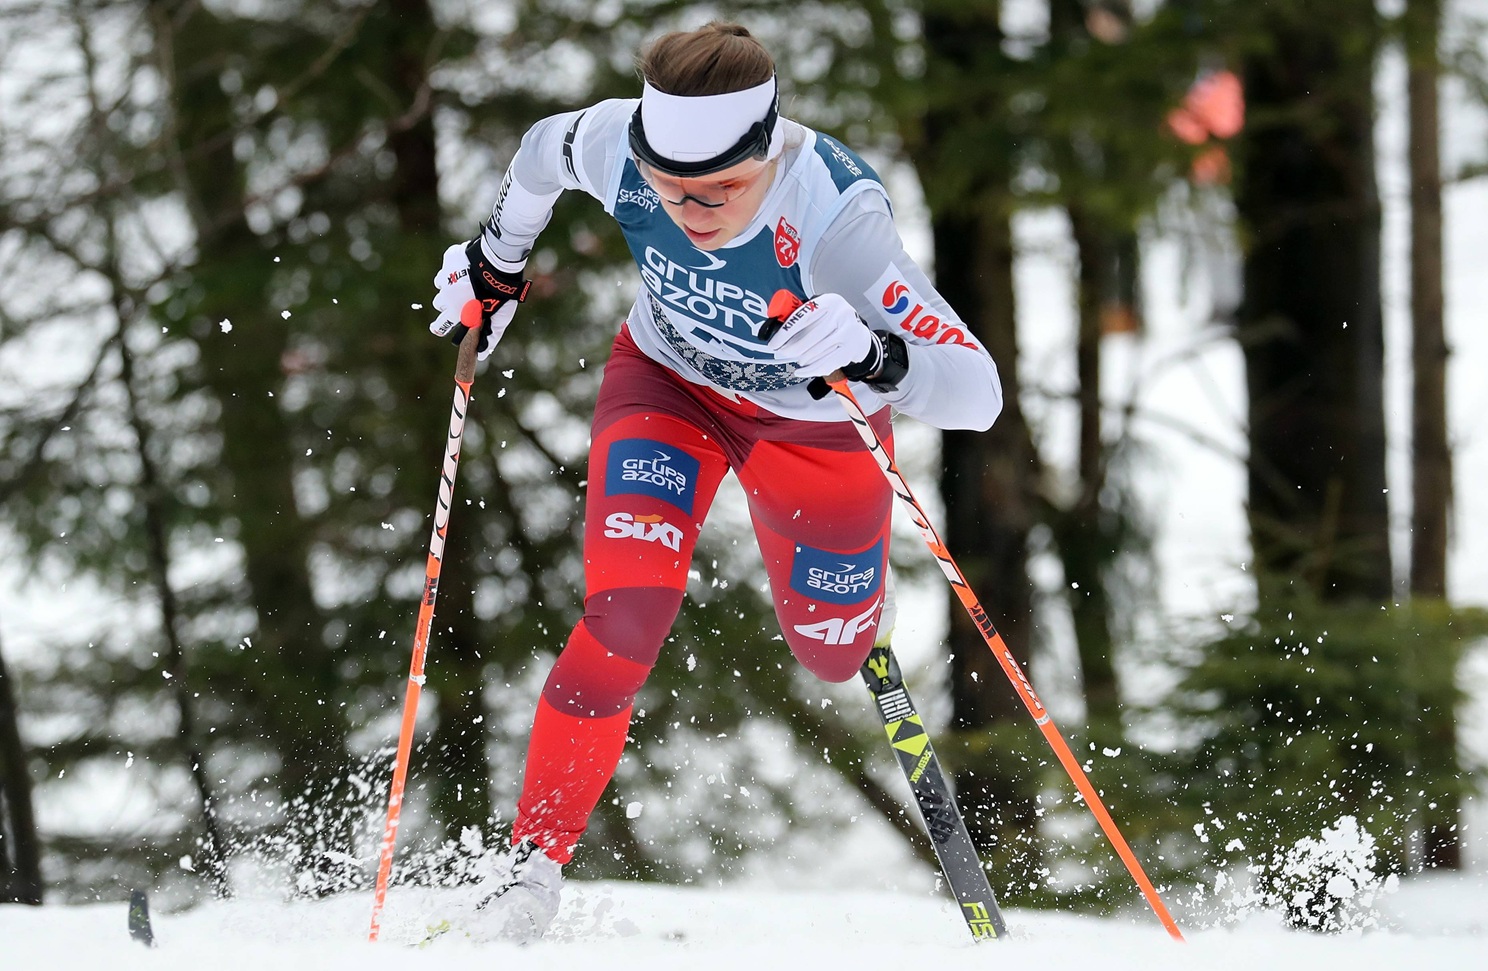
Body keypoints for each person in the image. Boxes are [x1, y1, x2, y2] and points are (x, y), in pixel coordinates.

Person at [426, 21, 1003, 941]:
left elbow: (978, 393)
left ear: (768, 150)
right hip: (668, 386)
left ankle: (856, 610)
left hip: (812, 431)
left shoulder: (837, 214)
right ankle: (530, 870)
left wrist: (872, 351)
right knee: (624, 615)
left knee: (833, 652)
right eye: (670, 189)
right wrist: (497, 264)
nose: (692, 212)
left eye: (722, 190)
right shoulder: (614, 144)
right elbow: (539, 157)